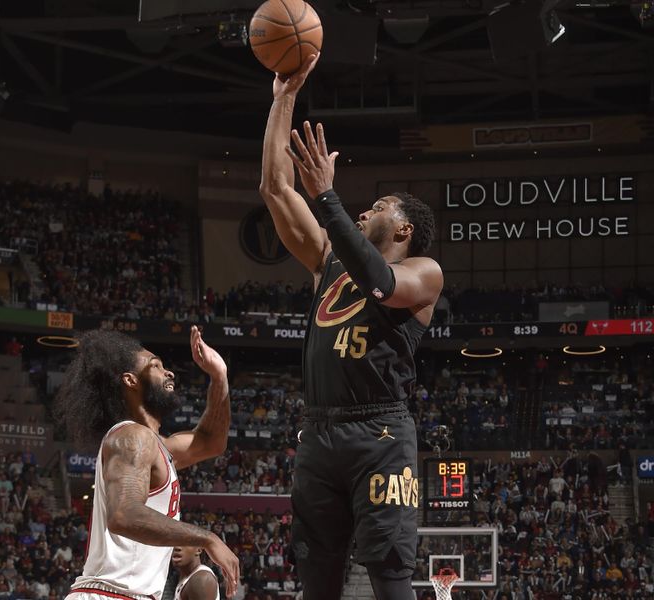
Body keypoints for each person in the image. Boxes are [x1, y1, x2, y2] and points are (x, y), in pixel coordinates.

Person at [259, 53, 443, 600]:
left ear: (404, 226)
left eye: (380, 206)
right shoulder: (326, 260)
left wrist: (326, 197)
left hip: (380, 434)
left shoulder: (423, 272)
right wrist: (282, 98)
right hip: (318, 430)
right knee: (316, 579)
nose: (366, 210)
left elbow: (381, 283)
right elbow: (274, 188)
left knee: (389, 578)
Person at [55, 327, 239, 600]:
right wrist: (206, 538)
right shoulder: (132, 437)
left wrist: (219, 376)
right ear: (130, 380)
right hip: (112, 594)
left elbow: (211, 441)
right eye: (156, 366)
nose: (169, 372)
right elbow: (124, 515)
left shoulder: (154, 445)